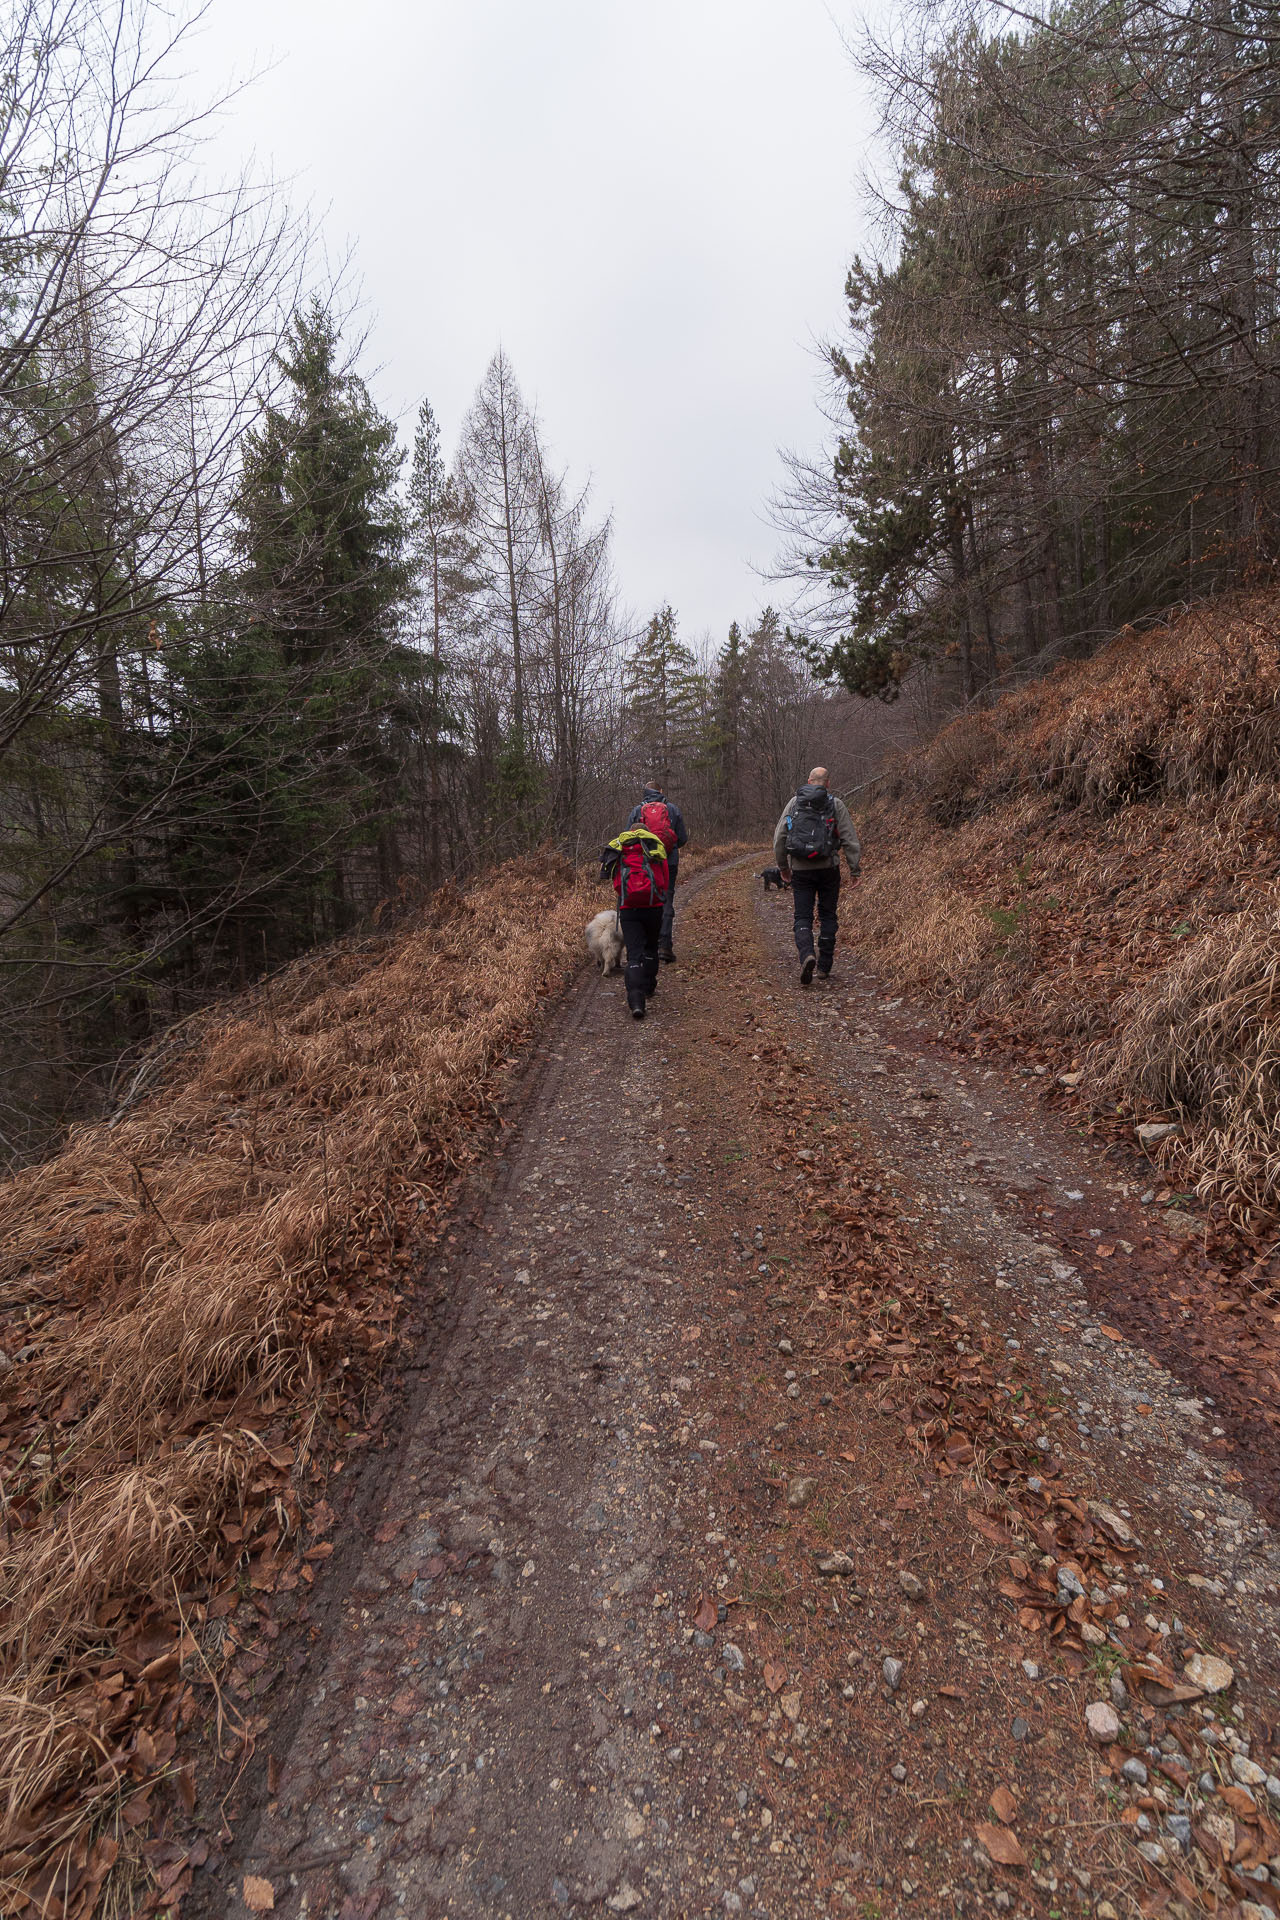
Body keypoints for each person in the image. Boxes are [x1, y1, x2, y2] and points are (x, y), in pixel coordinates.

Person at [772, 766, 861, 986]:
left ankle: (807, 955)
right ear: (828, 783)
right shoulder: (835, 804)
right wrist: (854, 869)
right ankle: (824, 966)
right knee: (828, 915)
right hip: (828, 868)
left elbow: (779, 838)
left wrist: (783, 866)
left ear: (809, 781)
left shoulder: (794, 803)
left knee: (802, 916)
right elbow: (849, 838)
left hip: (801, 870)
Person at [600, 823, 671, 1020]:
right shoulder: (654, 846)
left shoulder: (621, 848)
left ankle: (636, 1001)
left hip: (628, 908)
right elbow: (664, 879)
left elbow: (614, 880)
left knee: (633, 955)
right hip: (654, 906)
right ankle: (649, 987)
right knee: (650, 947)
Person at [626, 781, 688, 962]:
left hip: (642, 864)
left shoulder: (637, 811)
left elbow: (627, 839)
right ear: (661, 791)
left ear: (644, 792)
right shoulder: (673, 809)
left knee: (644, 899)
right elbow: (682, 839)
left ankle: (645, 946)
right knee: (666, 899)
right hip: (668, 862)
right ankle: (665, 947)